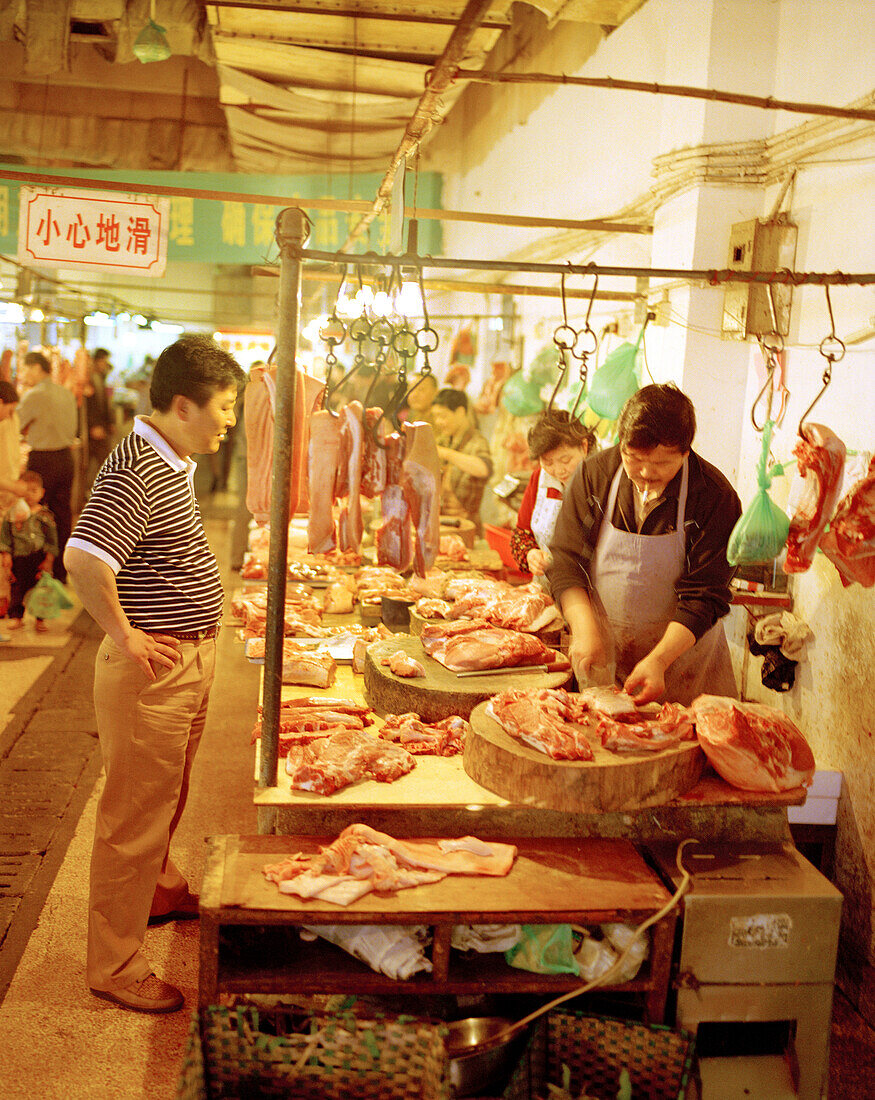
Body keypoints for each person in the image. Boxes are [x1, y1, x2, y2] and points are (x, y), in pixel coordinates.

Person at [64, 334, 246, 1014]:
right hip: (154, 671)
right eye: (223, 407)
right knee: (131, 817)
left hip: (186, 656)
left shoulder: (173, 458)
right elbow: (83, 559)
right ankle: (112, 965)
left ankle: (161, 890)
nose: (229, 420)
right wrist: (124, 634)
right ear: (182, 405)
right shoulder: (136, 468)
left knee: (165, 793)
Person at [547, 383, 741, 706]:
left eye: (662, 463)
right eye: (634, 458)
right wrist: (583, 628)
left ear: (686, 451)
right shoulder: (594, 475)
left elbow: (705, 595)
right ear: (621, 443)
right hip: (604, 662)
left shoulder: (714, 496)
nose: (646, 473)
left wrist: (660, 660)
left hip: (686, 670)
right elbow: (566, 560)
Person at [17, 350, 78, 583]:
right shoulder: (65, 393)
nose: (23, 375)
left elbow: (15, 423)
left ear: (35, 368)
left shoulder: (35, 394)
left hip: (43, 460)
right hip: (65, 459)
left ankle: (35, 574)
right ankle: (60, 574)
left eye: (24, 369)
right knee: (62, 516)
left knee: (36, 515)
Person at [510, 410, 595, 576]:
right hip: (546, 585)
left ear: (584, 447)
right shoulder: (539, 478)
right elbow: (521, 534)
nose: (558, 470)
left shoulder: (599, 479)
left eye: (565, 460)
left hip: (588, 588)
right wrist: (531, 554)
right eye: (548, 462)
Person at [0, 470, 58, 633]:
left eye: (34, 491)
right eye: (26, 491)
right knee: (17, 588)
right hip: (19, 558)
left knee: (41, 590)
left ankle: (40, 619)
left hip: (38, 557)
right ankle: (16, 616)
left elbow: (52, 540)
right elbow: (5, 537)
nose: (29, 495)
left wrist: (49, 560)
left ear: (42, 492)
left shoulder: (46, 515)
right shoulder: (12, 514)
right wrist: (6, 555)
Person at [431, 387, 493, 532]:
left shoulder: (477, 441)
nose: (438, 421)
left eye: (443, 416)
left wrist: (446, 454)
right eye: (435, 416)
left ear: (460, 412)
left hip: (466, 527)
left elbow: (483, 468)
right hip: (442, 523)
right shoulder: (444, 440)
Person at [84, 347, 116, 487]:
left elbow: (104, 404)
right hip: (93, 430)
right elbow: (87, 407)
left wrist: (110, 422)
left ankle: (100, 490)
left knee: (105, 462)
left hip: (102, 427)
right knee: (91, 464)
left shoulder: (101, 378)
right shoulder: (88, 379)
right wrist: (93, 426)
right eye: (103, 361)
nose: (105, 364)